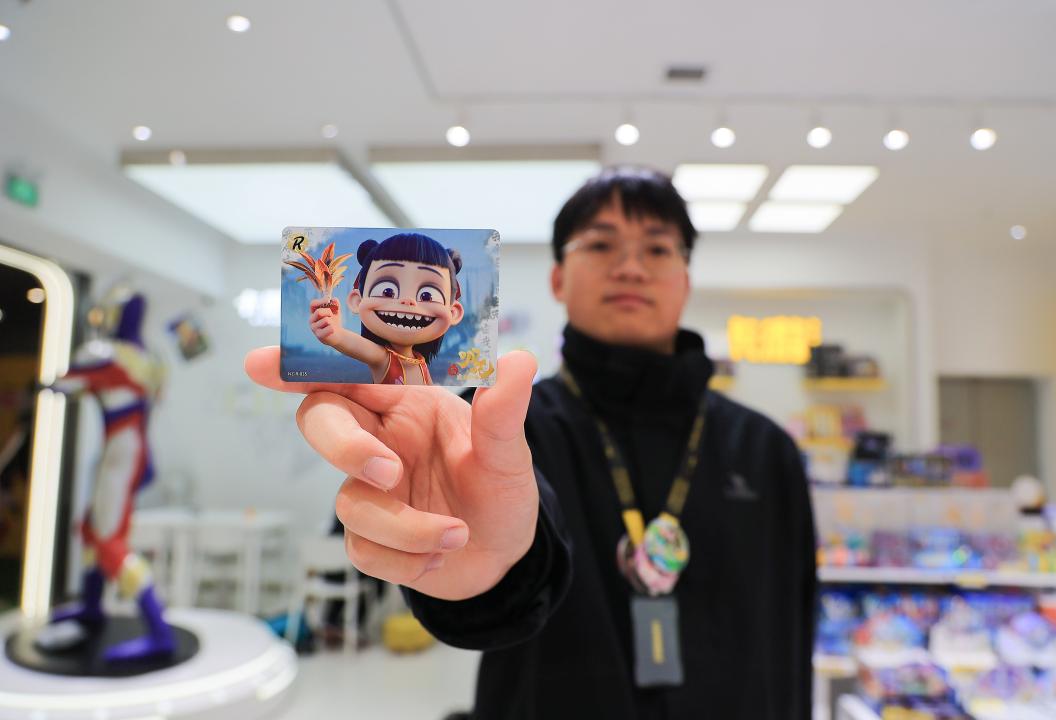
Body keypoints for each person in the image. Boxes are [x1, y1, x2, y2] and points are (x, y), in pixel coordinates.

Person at [246, 166, 817, 718]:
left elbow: (793, 631)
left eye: (658, 248)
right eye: (601, 244)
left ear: (685, 280)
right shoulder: (498, 424)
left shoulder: (766, 452)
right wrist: (483, 575)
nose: (630, 267)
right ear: (557, 279)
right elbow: (508, 585)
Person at [308, 232, 465, 385]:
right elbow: (352, 343)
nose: (408, 301)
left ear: (453, 312)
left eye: (427, 295)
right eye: (387, 291)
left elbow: (431, 391)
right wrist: (335, 333)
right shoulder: (384, 359)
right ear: (357, 301)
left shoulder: (419, 361)